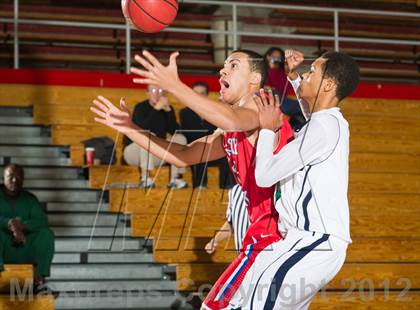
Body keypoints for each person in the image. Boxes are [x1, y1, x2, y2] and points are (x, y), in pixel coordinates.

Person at [90, 48, 294, 309]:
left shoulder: (261, 103)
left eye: (233, 66)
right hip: (265, 236)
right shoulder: (232, 127)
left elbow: (231, 120)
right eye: (223, 65)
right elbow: (183, 155)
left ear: (254, 80)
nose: (222, 70)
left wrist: (174, 86)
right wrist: (131, 129)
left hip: (274, 236)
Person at [242, 50, 360, 309]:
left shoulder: (323, 127)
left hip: (313, 240)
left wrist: (266, 128)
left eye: (312, 71)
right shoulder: (329, 122)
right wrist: (293, 77)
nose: (306, 74)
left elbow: (264, 175)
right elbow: (312, 113)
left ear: (328, 84)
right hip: (309, 241)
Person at [0, 164, 55, 294]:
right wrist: (9, 223)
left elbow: (42, 221)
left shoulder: (30, 199)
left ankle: (39, 280)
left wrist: (22, 226)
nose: (15, 180)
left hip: (23, 245)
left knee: (46, 234)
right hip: (3, 245)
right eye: (10, 176)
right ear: (3, 178)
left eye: (18, 176)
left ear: (23, 179)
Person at [123, 84, 188, 189]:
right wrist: (156, 109)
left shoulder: (167, 109)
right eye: (153, 90)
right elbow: (143, 130)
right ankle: (145, 178)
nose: (157, 93)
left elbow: (176, 131)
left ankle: (175, 179)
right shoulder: (140, 107)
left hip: (154, 154)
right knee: (149, 136)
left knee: (180, 138)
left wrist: (168, 111)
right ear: (147, 93)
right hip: (134, 152)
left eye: (160, 90)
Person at [180, 81, 235, 189]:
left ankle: (227, 187)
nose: (199, 96)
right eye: (196, 93)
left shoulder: (215, 112)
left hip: (214, 150)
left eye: (202, 93)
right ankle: (200, 186)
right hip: (195, 150)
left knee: (227, 153)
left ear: (207, 95)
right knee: (199, 150)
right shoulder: (185, 113)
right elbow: (189, 134)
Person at [265, 46, 307, 132]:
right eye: (273, 57)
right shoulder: (263, 71)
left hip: (284, 100)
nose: (276, 59)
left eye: (278, 58)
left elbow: (290, 84)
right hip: (271, 99)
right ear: (268, 57)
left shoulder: (283, 73)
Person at [205, 184, 248, 254]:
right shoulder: (234, 191)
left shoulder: (266, 188)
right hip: (242, 254)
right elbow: (231, 224)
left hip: (261, 254)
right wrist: (215, 241)